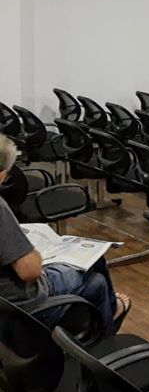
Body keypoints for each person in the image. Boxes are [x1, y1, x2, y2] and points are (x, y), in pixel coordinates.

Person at [0, 134, 130, 334]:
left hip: (5, 302)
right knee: (96, 274)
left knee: (96, 279)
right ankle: (109, 328)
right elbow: (29, 272)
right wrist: (33, 254)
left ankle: (107, 320)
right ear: (1, 176)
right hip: (19, 306)